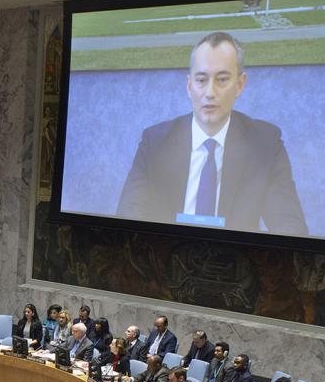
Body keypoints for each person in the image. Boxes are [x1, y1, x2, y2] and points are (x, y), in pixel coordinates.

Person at [115, 31, 307, 234]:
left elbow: (291, 227)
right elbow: (128, 218)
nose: (209, 93)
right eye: (201, 80)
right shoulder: (155, 142)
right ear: (189, 86)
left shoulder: (265, 144)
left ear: (240, 85)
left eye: (222, 79)